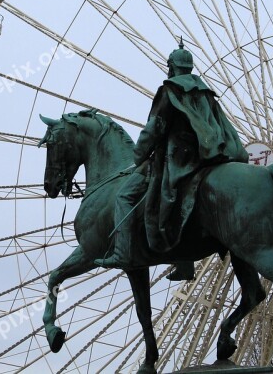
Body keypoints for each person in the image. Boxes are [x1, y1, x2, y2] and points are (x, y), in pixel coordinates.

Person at [95, 41, 248, 279]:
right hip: (209, 156)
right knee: (177, 200)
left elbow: (154, 128)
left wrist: (139, 155)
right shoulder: (206, 93)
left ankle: (122, 253)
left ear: (171, 67)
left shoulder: (170, 90)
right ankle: (184, 261)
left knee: (127, 197)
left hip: (177, 159)